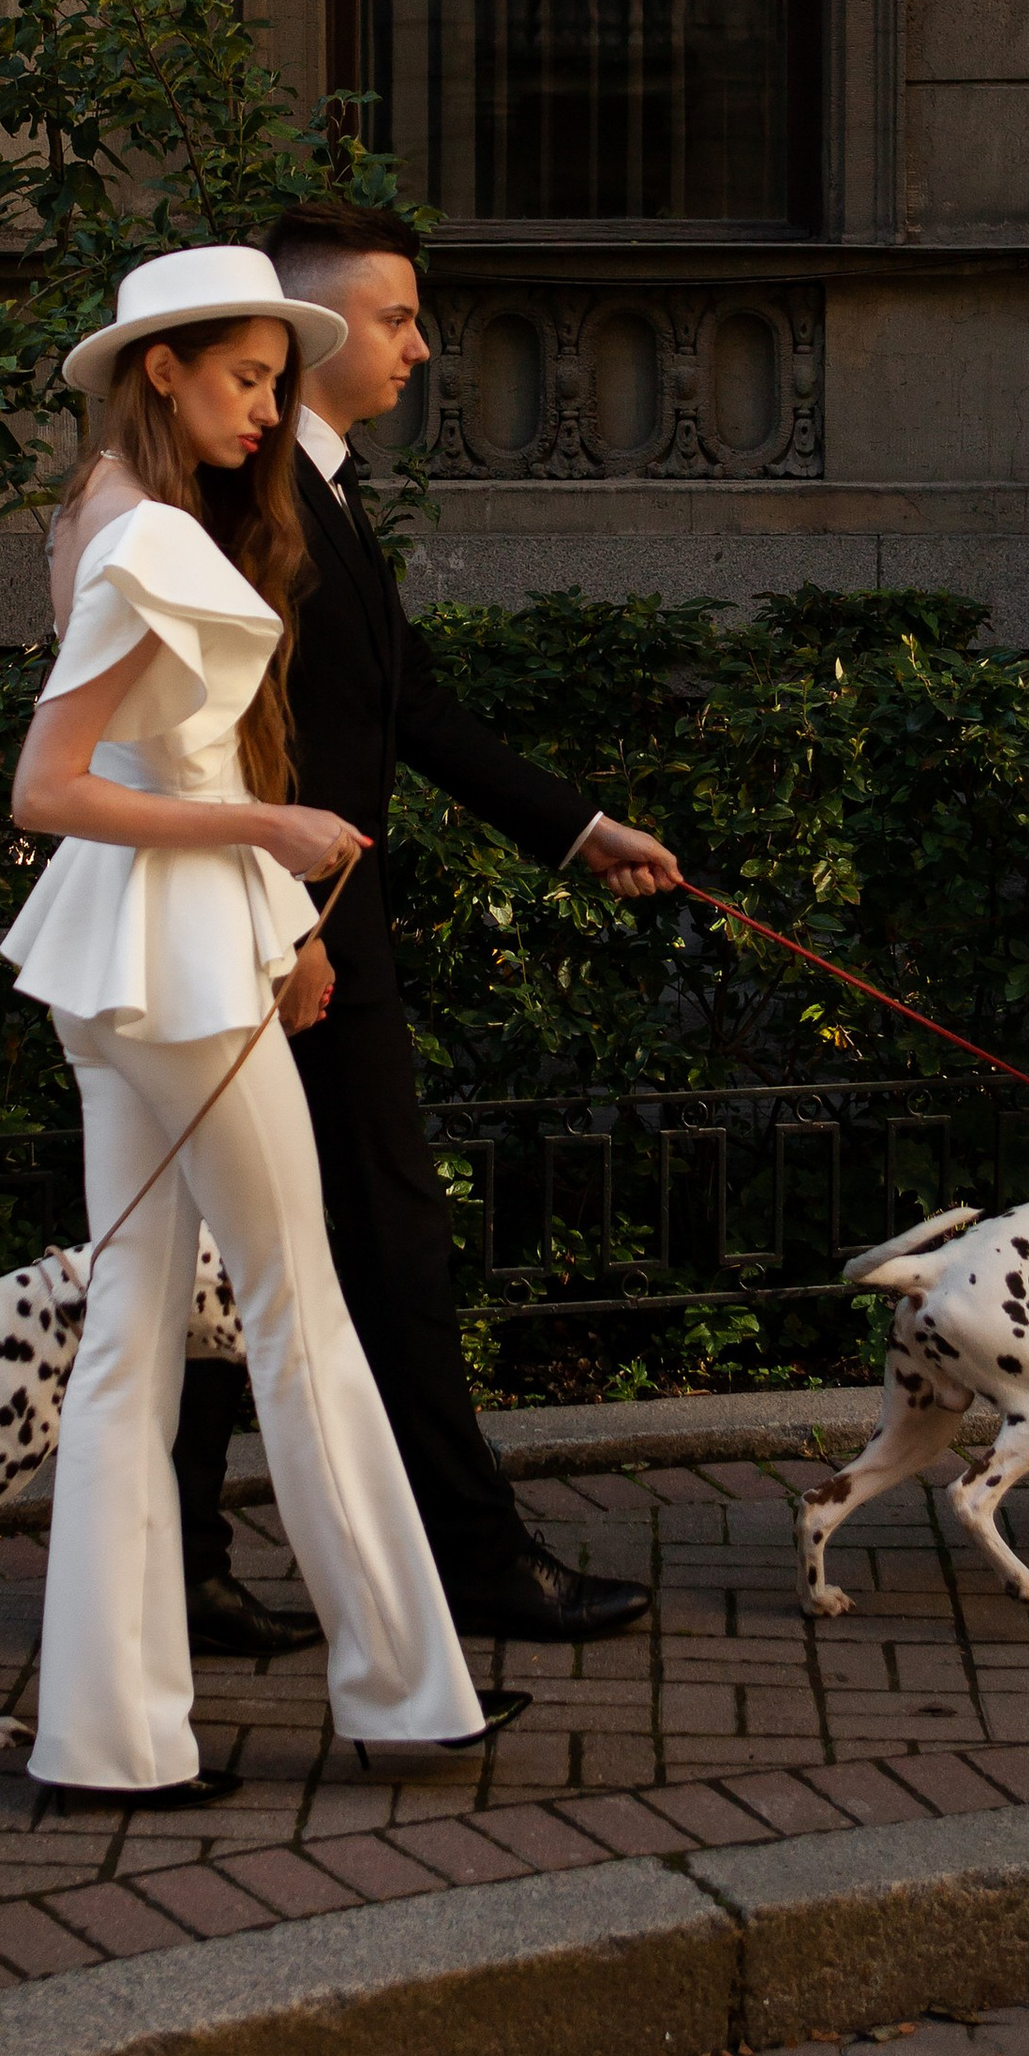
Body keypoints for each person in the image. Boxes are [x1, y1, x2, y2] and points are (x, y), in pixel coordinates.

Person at [1, 243, 523, 1807]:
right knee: (298, 1312)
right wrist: (273, 844)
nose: (266, 409)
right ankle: (407, 1694)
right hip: (176, 968)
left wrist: (275, 913)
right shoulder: (152, 537)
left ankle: (108, 1739)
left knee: (132, 1339)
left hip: (131, 964)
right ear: (160, 368)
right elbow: (52, 788)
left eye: (277, 382)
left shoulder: (100, 512)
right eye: (244, 377)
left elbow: (145, 772)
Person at [173, 199, 685, 1661]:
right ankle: (470, 1564)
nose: (420, 347)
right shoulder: (244, 495)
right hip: (290, 943)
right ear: (313, 325)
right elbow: (223, 740)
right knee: (378, 1241)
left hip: (315, 933)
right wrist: (290, 929)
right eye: (396, 318)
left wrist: (577, 829)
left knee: (228, 1253)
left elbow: (405, 707)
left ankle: (187, 1567)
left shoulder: (315, 488)